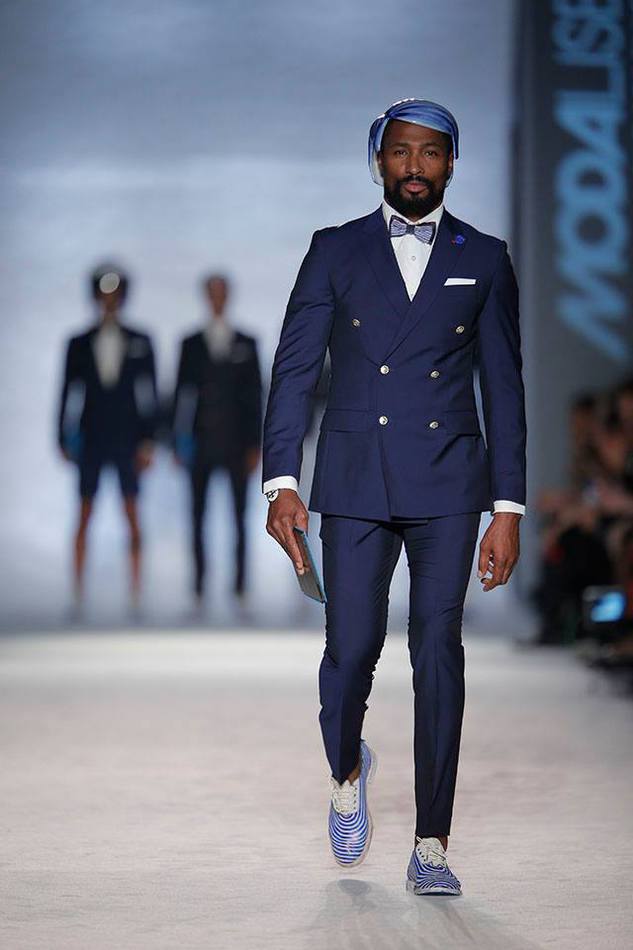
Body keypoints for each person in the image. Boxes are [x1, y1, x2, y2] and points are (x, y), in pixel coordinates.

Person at [261, 98, 526, 896]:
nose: (415, 166)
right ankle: (346, 770)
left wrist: (507, 508)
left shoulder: (485, 257)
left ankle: (431, 843)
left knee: (437, 652)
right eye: (402, 151)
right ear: (378, 160)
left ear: (451, 163)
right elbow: (295, 368)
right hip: (353, 477)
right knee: (349, 652)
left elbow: (503, 388)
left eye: (431, 152)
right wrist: (281, 480)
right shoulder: (334, 249)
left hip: (448, 480)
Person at [57, 264, 158, 612]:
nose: (109, 300)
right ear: (96, 296)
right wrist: (62, 436)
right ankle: (76, 593)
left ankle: (136, 593)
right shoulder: (79, 342)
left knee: (131, 512)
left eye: (115, 293)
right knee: (84, 512)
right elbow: (67, 392)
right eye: (104, 293)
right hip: (92, 437)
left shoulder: (141, 340)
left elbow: (151, 395)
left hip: (128, 438)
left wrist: (149, 440)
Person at [171, 274, 262, 607]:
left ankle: (240, 586)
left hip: (237, 444)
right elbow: (179, 394)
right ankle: (198, 585)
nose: (217, 299)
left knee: (239, 517)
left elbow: (256, 397)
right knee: (198, 515)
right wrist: (175, 442)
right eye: (213, 293)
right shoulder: (191, 343)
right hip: (201, 442)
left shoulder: (247, 342)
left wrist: (256, 444)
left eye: (222, 293)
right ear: (206, 297)